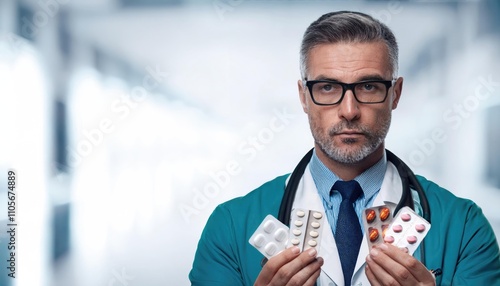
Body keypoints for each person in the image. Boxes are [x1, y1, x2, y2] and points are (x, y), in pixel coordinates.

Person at [189, 11, 500, 286]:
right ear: (303, 96)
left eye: (368, 86)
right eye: (327, 87)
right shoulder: (229, 227)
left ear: (395, 94)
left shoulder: (465, 227)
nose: (349, 110)